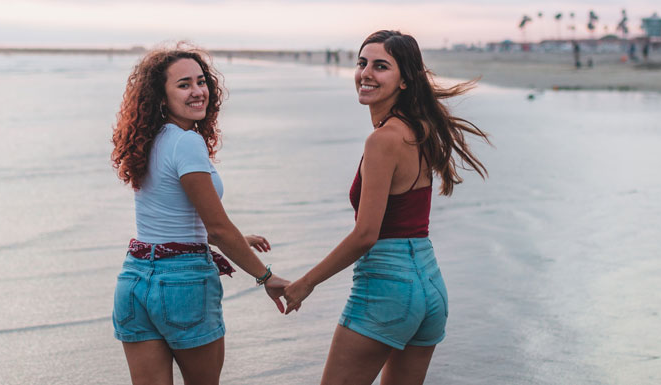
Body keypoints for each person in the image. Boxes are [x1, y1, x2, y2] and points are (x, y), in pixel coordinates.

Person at [283, 30, 490, 385]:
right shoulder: (420, 129)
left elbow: (366, 234)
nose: (366, 73)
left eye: (381, 66)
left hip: (388, 287)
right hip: (430, 285)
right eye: (362, 63)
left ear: (405, 80)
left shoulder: (383, 139)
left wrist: (306, 283)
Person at [110, 44, 289, 385]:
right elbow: (219, 228)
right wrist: (266, 277)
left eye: (201, 81)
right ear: (161, 97)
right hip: (181, 284)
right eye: (184, 85)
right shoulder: (186, 142)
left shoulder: (147, 141)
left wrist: (238, 240)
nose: (198, 91)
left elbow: (171, 216)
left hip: (133, 280)